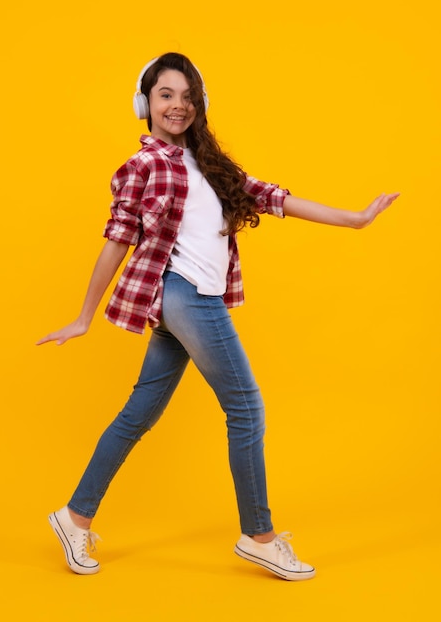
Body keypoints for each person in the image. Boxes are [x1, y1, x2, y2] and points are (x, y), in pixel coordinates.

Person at [37, 52, 398, 581]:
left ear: (199, 104)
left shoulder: (210, 166)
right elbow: (116, 242)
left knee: (140, 413)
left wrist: (354, 220)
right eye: (165, 95)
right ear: (145, 104)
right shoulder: (144, 166)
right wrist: (83, 316)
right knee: (246, 408)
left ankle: (74, 517)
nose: (177, 106)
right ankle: (259, 536)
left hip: (191, 298)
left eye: (187, 97)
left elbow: (273, 198)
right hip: (182, 295)